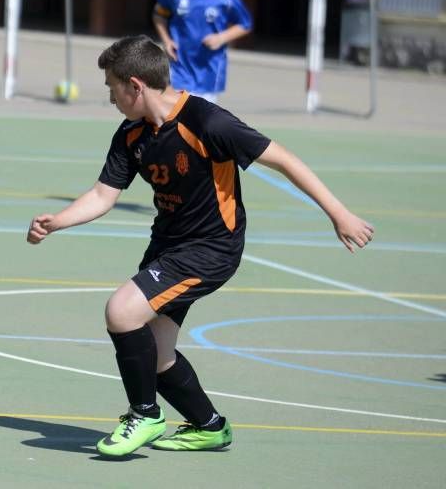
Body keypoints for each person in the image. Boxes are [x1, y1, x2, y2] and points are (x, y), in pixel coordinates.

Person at [26, 35, 373, 457]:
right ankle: (210, 426)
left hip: (211, 247)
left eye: (112, 87)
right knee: (156, 353)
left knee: (121, 311)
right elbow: (103, 195)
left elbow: (284, 159)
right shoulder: (132, 134)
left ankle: (145, 414)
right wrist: (57, 221)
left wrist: (339, 213)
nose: (110, 96)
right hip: (167, 245)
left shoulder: (209, 123)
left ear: (135, 86)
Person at [152, 0, 251, 103]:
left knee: (200, 122)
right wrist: (166, 40)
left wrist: (221, 38)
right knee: (172, 117)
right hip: (178, 66)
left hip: (208, 71)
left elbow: (245, 24)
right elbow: (159, 14)